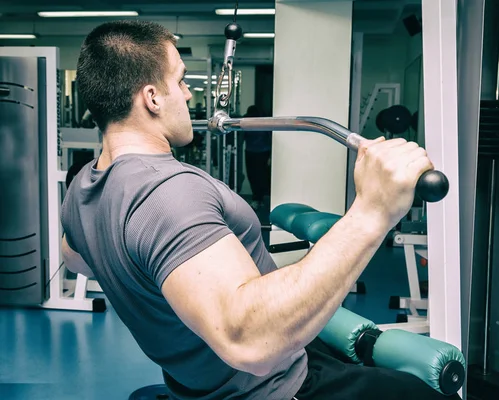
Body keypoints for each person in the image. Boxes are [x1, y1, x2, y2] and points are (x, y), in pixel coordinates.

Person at [60, 20, 459, 400]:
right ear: (151, 98)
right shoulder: (167, 192)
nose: (185, 94)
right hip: (277, 388)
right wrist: (373, 209)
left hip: (209, 384)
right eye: (180, 80)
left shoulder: (84, 187)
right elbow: (249, 341)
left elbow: (76, 259)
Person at [242, 105, 272, 210]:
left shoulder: (248, 121)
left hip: (256, 152)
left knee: (256, 177)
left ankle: (259, 199)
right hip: (260, 152)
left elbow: (269, 138)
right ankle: (259, 199)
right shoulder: (253, 122)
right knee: (258, 176)